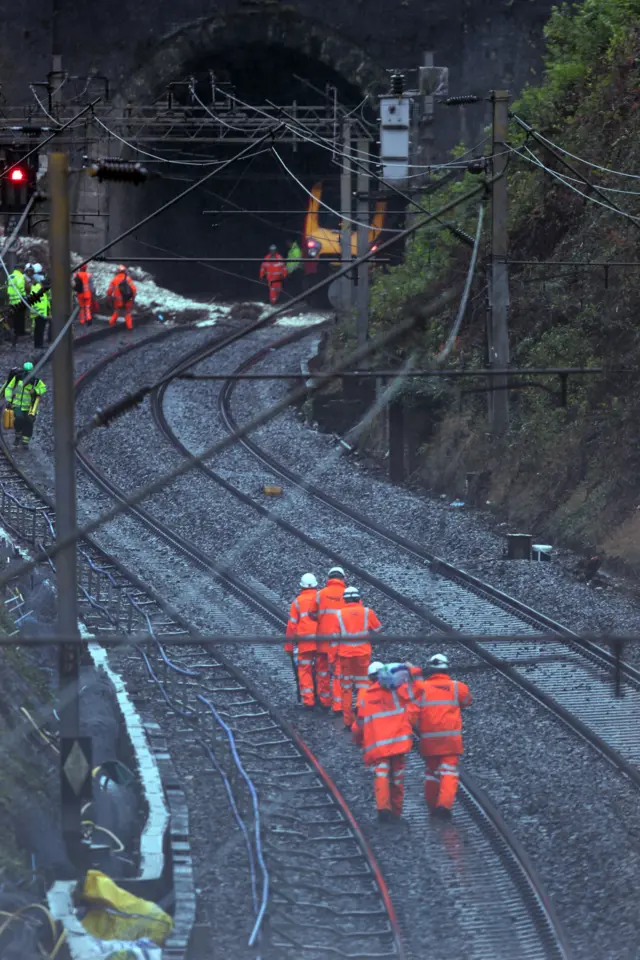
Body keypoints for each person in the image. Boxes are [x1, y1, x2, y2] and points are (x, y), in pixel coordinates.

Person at [351, 661, 415, 822]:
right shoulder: (398, 693)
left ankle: (383, 809)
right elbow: (417, 691)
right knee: (397, 777)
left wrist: (358, 741)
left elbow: (359, 725)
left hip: (379, 747)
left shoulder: (366, 698)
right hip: (398, 744)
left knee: (381, 775)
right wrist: (412, 669)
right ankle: (397, 811)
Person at [412, 653, 472, 819]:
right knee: (449, 771)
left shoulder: (421, 688)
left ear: (430, 670)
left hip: (429, 739)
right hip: (451, 739)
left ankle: (432, 808)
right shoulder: (456, 687)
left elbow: (411, 711)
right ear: (447, 669)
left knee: (432, 773)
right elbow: (467, 700)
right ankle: (444, 806)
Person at [336, 585, 382, 729]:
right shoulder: (367, 612)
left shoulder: (339, 614)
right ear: (358, 598)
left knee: (346, 687)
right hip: (363, 653)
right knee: (363, 685)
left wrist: (332, 658)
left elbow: (333, 638)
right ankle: (360, 711)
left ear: (345, 599)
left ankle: (348, 721)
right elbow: (378, 629)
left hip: (345, 655)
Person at [284, 573, 319, 708]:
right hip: (321, 640)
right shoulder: (320, 599)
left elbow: (292, 626)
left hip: (304, 643)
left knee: (304, 670)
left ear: (301, 587)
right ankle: (324, 700)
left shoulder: (297, 602)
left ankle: (308, 701)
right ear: (316, 585)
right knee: (322, 671)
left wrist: (289, 646)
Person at [315, 566, 347, 713]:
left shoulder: (320, 594)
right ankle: (338, 706)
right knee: (338, 673)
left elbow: (311, 613)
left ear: (329, 579)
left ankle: (325, 701)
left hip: (322, 640)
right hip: (339, 641)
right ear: (343, 579)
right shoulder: (348, 594)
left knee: (322, 671)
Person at [4, 360, 47, 449]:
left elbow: (43, 388)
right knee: (19, 419)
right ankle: (18, 435)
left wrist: (35, 391)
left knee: (29, 422)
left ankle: (25, 441)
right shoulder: (17, 378)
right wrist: (8, 399)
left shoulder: (36, 381)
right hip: (17, 405)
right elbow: (8, 388)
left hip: (30, 408)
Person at [107, 265, 137, 330]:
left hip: (118, 301)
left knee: (117, 312)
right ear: (124, 271)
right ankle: (130, 327)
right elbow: (134, 289)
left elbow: (109, 291)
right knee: (127, 313)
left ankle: (110, 323)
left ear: (118, 271)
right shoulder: (128, 279)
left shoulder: (114, 279)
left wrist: (109, 296)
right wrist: (133, 298)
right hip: (127, 300)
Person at [29, 272, 51, 349]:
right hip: (39, 314)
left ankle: (38, 343)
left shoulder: (39, 289)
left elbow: (45, 302)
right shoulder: (37, 289)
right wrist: (41, 313)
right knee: (39, 330)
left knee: (39, 329)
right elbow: (37, 303)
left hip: (41, 313)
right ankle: (39, 344)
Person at [6, 263, 27, 345]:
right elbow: (21, 287)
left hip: (12, 300)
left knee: (13, 318)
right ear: (20, 269)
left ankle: (14, 332)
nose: (23, 271)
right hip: (19, 300)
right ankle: (19, 333)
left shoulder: (10, 276)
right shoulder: (20, 276)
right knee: (20, 318)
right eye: (23, 269)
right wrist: (24, 296)